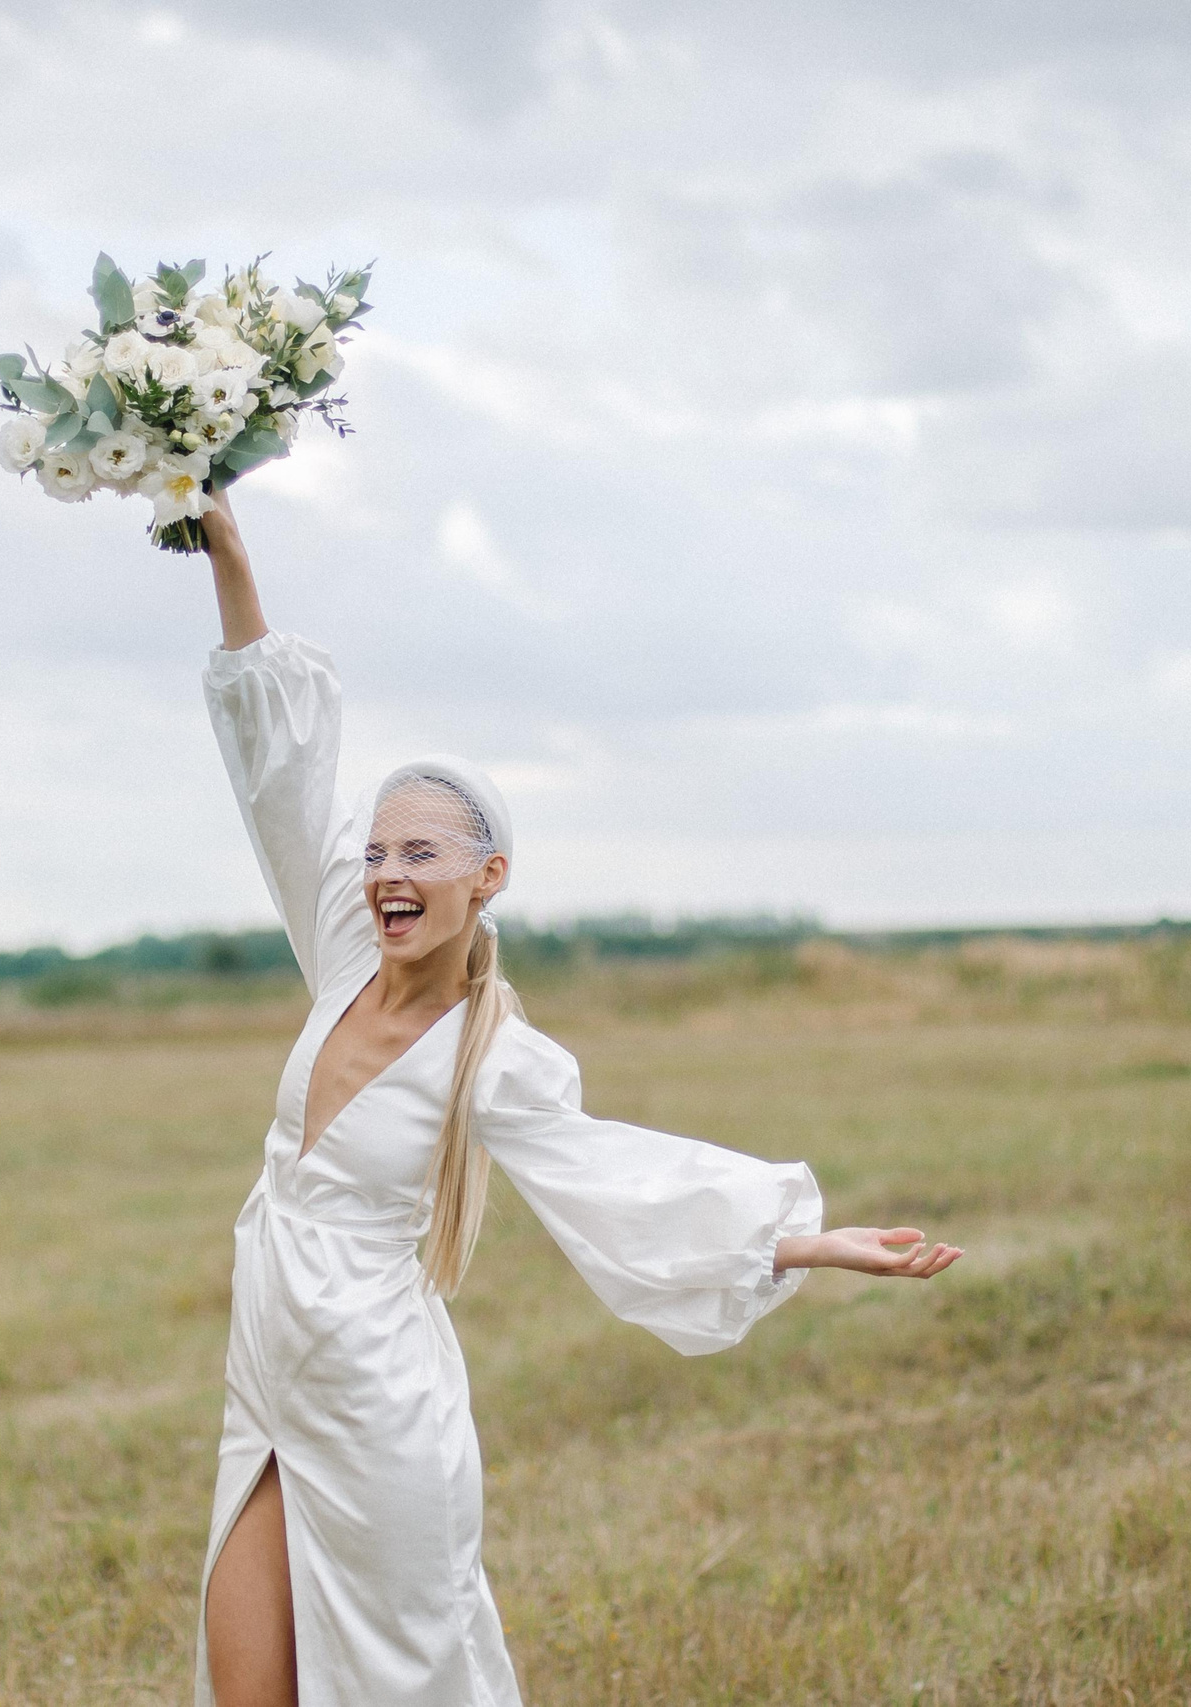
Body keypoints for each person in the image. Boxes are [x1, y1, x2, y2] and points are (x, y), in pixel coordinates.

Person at [190, 489, 963, 1707]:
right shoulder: (342, 957)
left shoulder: (491, 1054)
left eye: (421, 856)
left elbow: (613, 1179)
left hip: (380, 1417)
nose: (388, 874)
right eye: (378, 853)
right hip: (270, 1395)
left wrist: (805, 1241)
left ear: (487, 878)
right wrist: (228, 552)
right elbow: (280, 780)